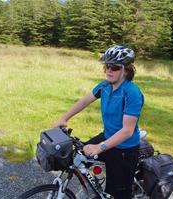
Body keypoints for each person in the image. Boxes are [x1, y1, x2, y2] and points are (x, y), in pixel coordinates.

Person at [54, 45, 144, 199]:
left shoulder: (132, 93)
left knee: (117, 194)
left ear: (126, 70)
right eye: (106, 66)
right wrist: (64, 117)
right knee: (77, 159)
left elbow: (127, 131)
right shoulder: (104, 86)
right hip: (108, 136)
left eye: (114, 67)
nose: (109, 70)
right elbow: (84, 101)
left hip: (124, 149)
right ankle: (95, 189)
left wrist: (99, 147)